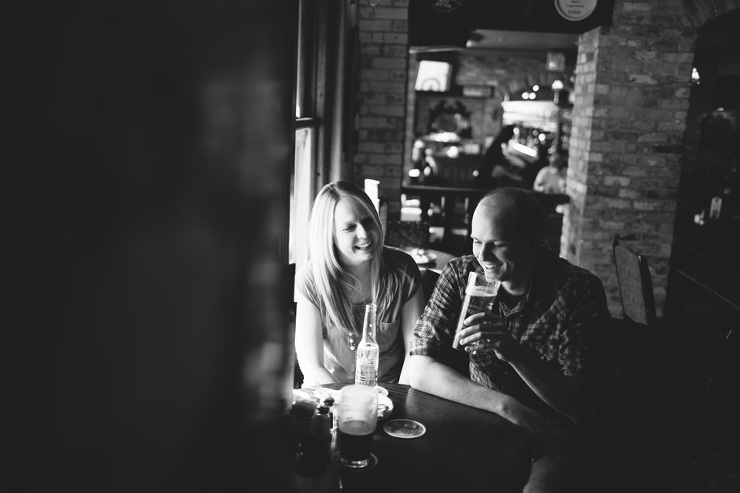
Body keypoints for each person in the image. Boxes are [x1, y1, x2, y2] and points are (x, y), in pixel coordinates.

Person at [408, 187, 610, 492]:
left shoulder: (578, 291)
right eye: (476, 242)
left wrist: (514, 352)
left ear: (533, 241)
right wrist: (506, 406)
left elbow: (581, 409)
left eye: (498, 245)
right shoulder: (462, 273)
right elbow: (420, 368)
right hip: (482, 418)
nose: (483, 257)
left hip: (550, 433)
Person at [295, 181, 425, 386]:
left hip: (390, 393)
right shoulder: (311, 280)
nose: (364, 234)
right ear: (329, 235)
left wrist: (398, 403)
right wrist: (348, 403)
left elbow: (416, 351)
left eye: (368, 221)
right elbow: (312, 366)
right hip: (331, 393)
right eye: (349, 228)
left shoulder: (403, 269)